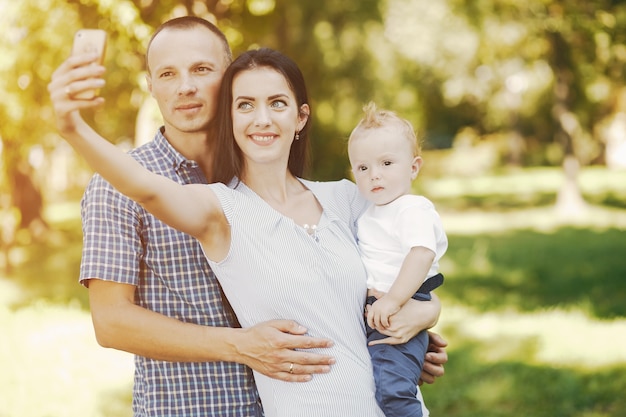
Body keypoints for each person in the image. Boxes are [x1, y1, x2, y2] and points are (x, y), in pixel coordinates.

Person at [47, 17, 447, 416]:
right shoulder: (196, 202)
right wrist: (72, 127)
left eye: (201, 69)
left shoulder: (330, 195)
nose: (186, 86)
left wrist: (417, 321)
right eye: (168, 73)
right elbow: (113, 317)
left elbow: (388, 266)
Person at [348, 102, 448, 417]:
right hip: (380, 309)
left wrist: (392, 300)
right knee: (380, 379)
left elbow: (421, 254)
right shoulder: (370, 210)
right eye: (363, 168)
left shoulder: (411, 208)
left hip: (402, 303)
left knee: (393, 388)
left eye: (387, 163)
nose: (374, 175)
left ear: (414, 167)